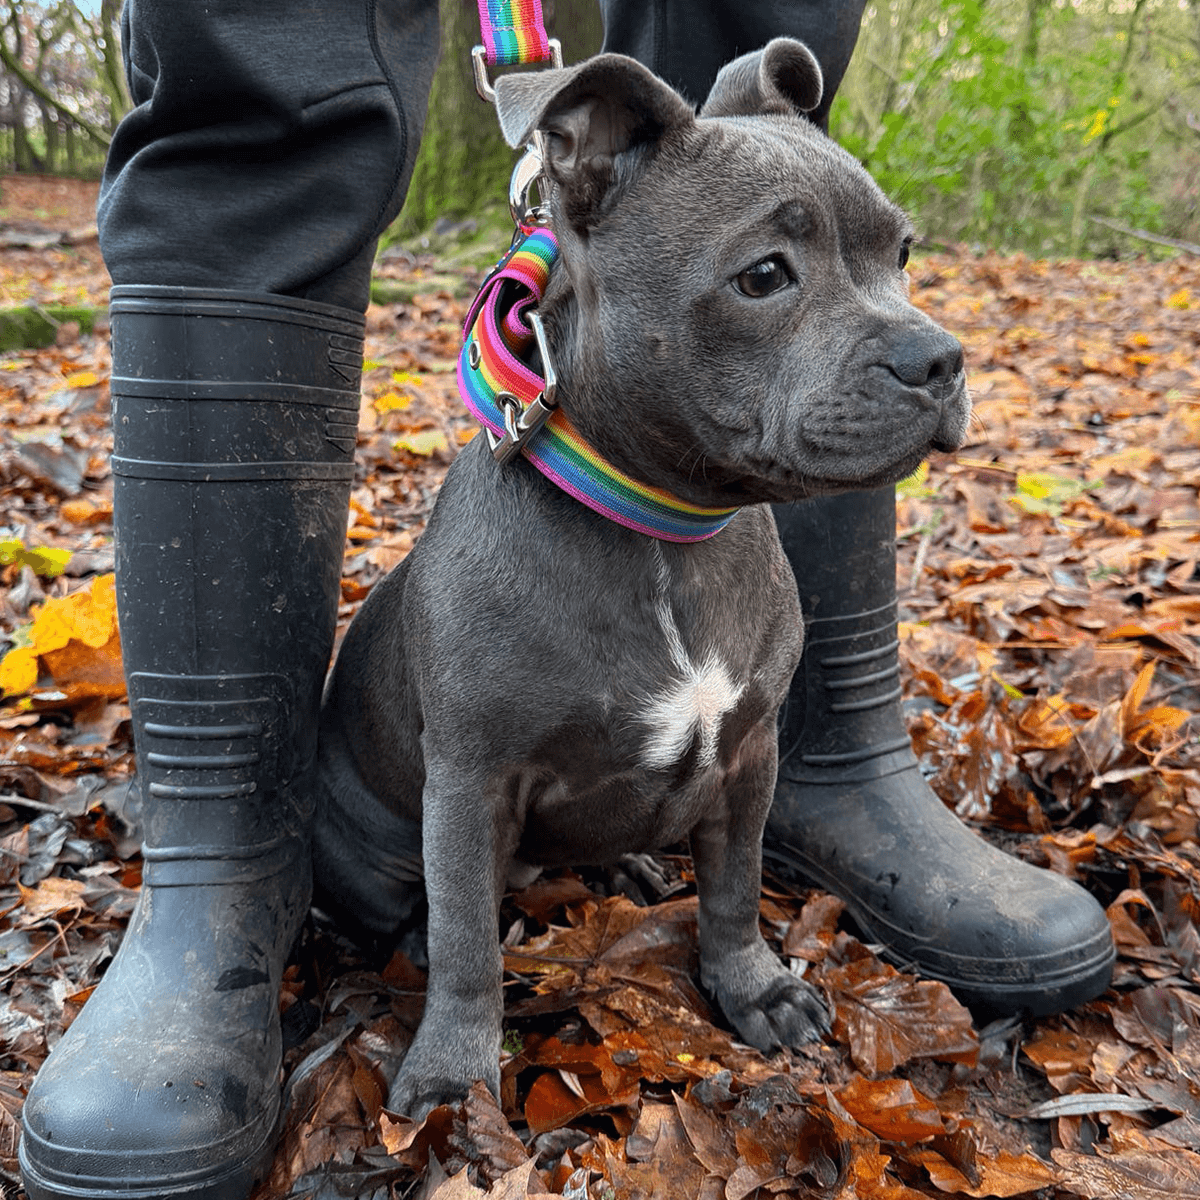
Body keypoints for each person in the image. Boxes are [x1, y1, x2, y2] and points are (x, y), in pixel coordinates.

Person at [19, 4, 1115, 1199]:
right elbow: (468, 781)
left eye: (892, 264)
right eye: (769, 277)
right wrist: (460, 1014)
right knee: (262, 56)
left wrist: (737, 953)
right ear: (581, 182)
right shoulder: (496, 584)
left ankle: (831, 776)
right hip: (402, 831)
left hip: (670, 686)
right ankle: (225, 857)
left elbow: (744, 742)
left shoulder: (755, 552)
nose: (919, 339)